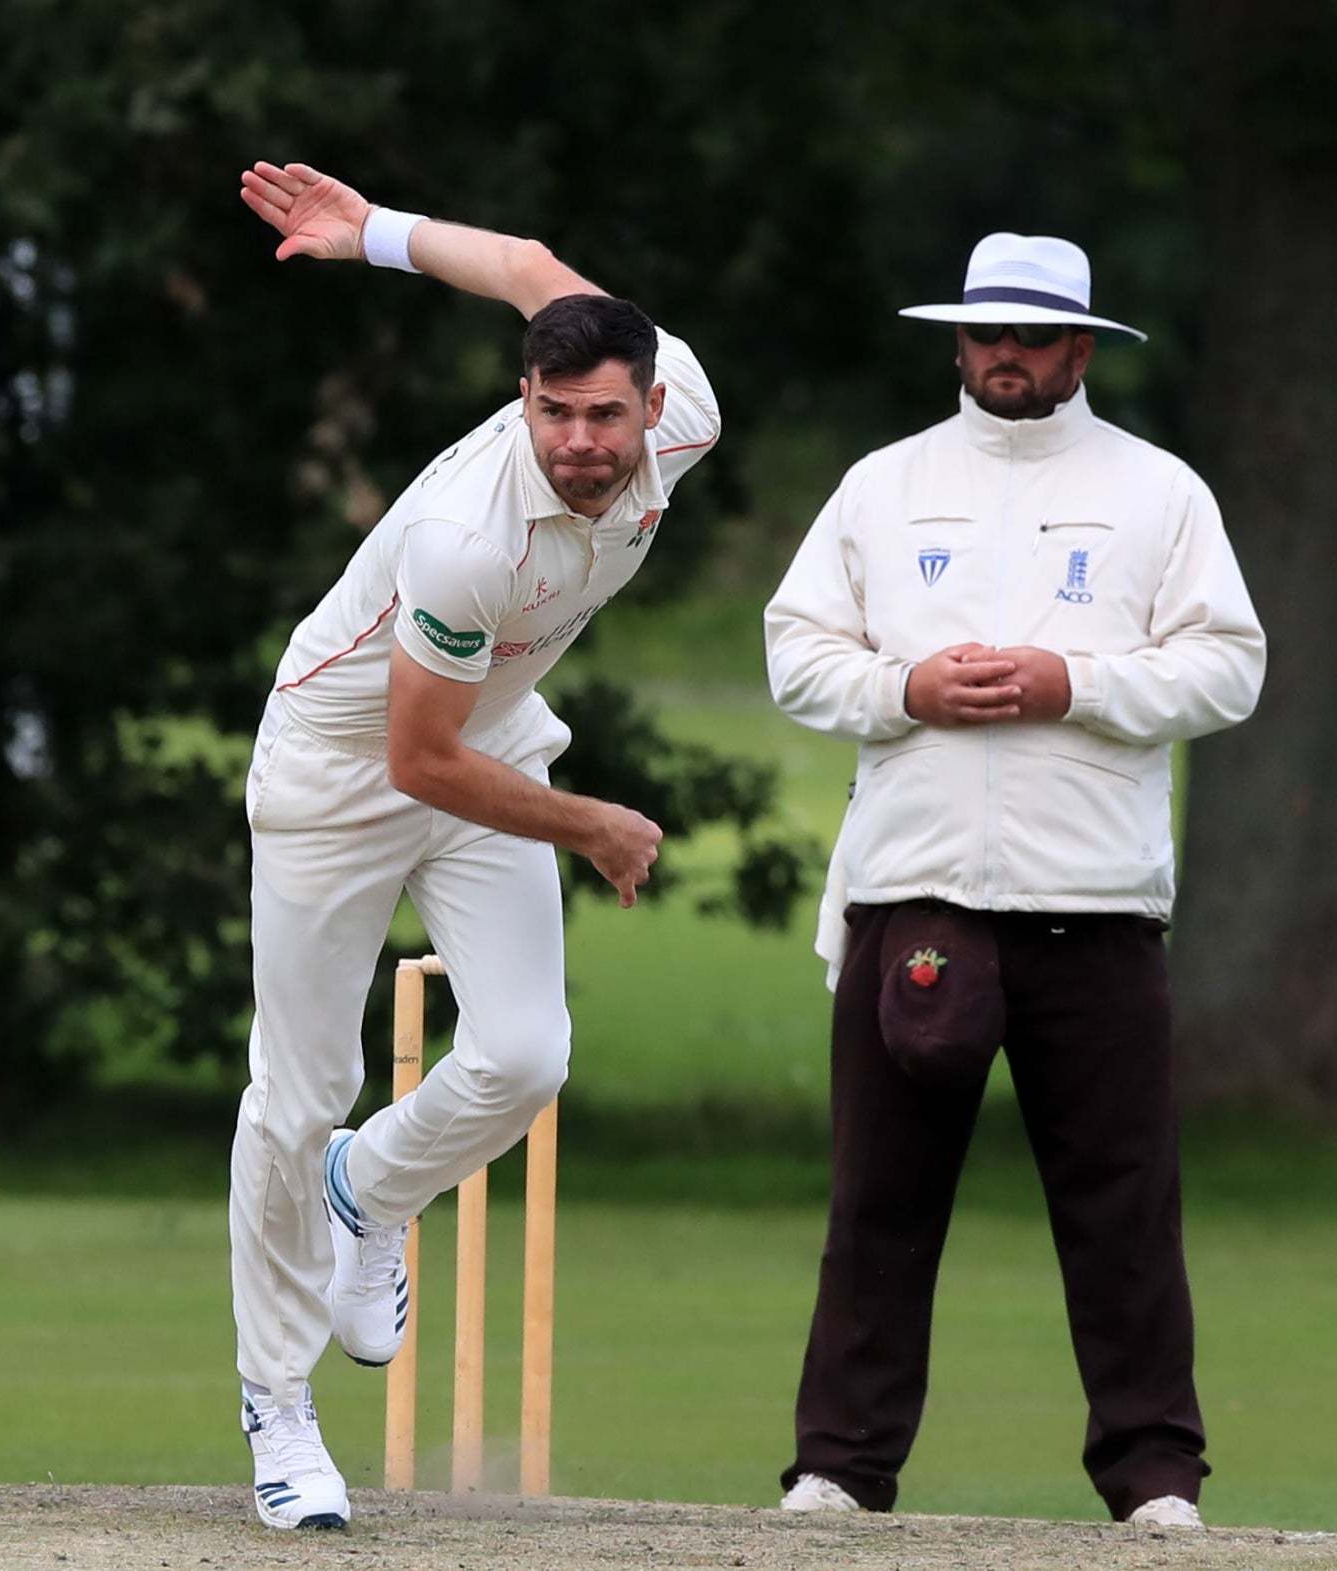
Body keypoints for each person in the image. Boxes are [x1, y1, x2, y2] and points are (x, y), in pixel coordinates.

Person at [229, 161, 721, 1530]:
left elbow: (529, 264)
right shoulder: (467, 538)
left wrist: (369, 233)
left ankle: (371, 1191)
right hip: (343, 770)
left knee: (524, 1055)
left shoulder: (681, 408)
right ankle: (277, 1406)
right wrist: (600, 823)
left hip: (485, 738)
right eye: (551, 412)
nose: (576, 439)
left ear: (656, 405)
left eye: (602, 415)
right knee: (298, 1088)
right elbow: (412, 760)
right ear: (524, 403)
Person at [763, 233, 1265, 1529]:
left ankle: (1156, 1475)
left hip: (1092, 902)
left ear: (1081, 350)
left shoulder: (1160, 492)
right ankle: (839, 1466)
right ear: (958, 341)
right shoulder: (886, 484)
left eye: (1033, 338)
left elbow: (1230, 668)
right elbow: (796, 650)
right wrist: (905, 688)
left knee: (1122, 1205)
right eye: (987, 334)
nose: (1006, 356)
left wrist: (1078, 685)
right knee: (880, 1194)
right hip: (913, 889)